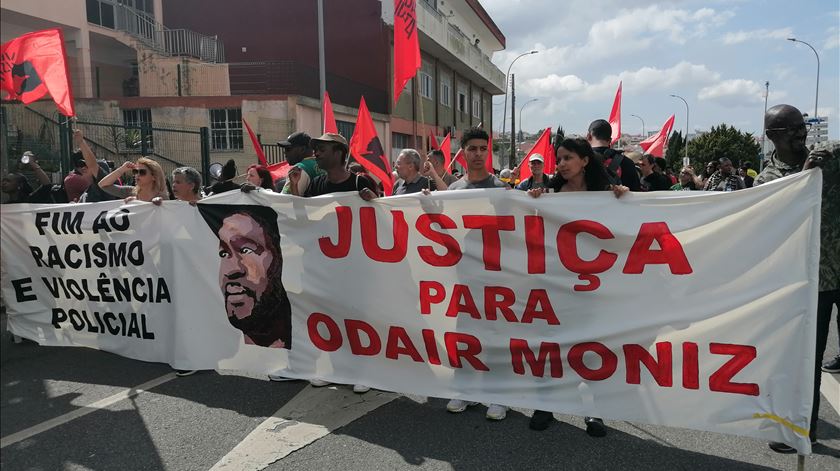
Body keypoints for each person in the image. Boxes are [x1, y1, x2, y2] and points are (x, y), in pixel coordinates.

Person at [527, 137, 628, 437]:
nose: (561, 164)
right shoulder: (550, 193)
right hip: (556, 284)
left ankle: (592, 411)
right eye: (559, 159)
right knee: (551, 345)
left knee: (590, 347)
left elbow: (628, 228)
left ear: (585, 160)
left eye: (568, 157)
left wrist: (626, 199)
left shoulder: (606, 193)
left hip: (592, 288)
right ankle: (545, 404)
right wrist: (534, 201)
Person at [756, 104, 839, 454]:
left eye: (800, 125)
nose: (799, 132)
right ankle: (803, 429)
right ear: (774, 137)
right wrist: (804, 176)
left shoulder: (830, 157)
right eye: (790, 128)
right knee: (807, 358)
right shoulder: (767, 177)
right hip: (809, 281)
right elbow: (774, 217)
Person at [288, 132, 375, 392]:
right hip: (326, 266)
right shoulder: (315, 185)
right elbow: (302, 218)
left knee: (357, 318)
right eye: (316, 149)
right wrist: (294, 189)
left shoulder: (361, 182)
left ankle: (365, 372)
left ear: (339, 152)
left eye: (322, 149)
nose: (316, 153)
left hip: (357, 267)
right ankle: (335, 368)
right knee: (330, 316)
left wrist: (374, 202)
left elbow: (382, 219)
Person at [443, 127, 509, 421]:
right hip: (464, 277)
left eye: (483, 148)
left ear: (489, 151)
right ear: (463, 153)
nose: (478, 154)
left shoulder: (505, 191)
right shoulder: (453, 191)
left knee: (496, 335)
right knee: (465, 335)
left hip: (497, 276)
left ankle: (499, 395)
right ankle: (466, 390)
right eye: (472, 148)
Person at [197, 204, 292, 350]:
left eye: (246, 250)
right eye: (224, 253)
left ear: (279, 258)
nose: (232, 270)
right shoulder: (218, 351)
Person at [586, 119, 642, 191]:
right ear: (610, 140)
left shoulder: (580, 161)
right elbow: (636, 193)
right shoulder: (628, 163)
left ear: (588, 137)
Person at [99, 156, 170, 203]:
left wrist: (158, 203)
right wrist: (122, 169)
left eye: (142, 172)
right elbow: (102, 185)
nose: (137, 175)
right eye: (135, 171)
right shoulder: (131, 191)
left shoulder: (162, 197)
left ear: (154, 176)